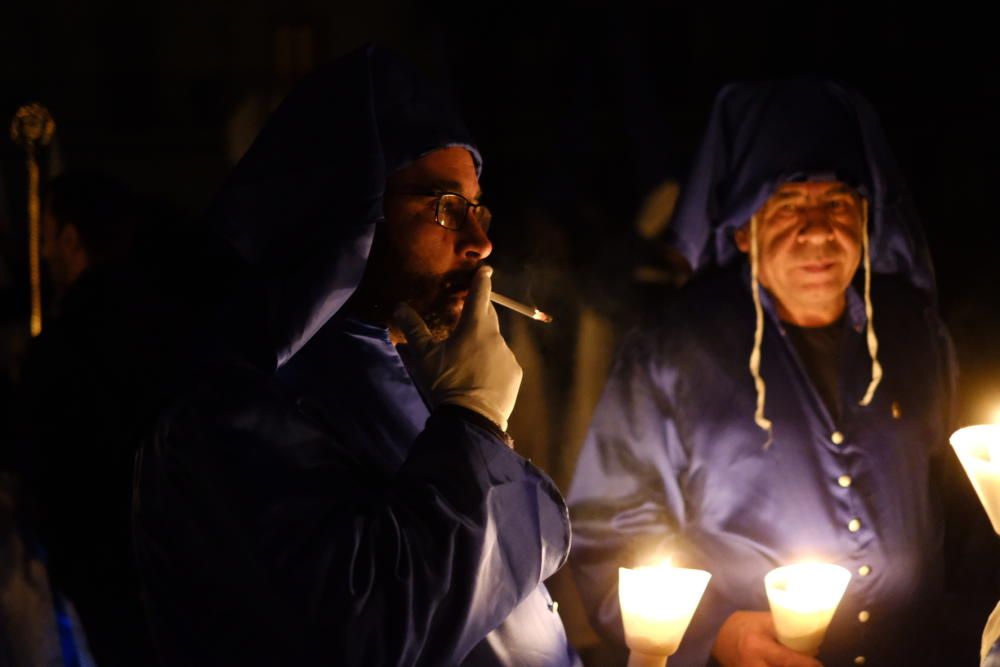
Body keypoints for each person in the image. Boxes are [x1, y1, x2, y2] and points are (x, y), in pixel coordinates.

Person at [133, 44, 579, 666]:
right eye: (445, 207)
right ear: (350, 210)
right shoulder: (231, 412)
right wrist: (473, 423)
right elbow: (370, 632)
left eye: (479, 210)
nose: (480, 244)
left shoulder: (409, 369)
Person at [567, 78, 997, 666]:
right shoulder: (674, 350)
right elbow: (607, 529)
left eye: (838, 204)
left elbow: (967, 499)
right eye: (790, 206)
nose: (819, 231)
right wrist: (718, 633)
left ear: (867, 217)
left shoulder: (914, 332)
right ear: (744, 229)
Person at [17, 171, 151, 666]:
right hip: (169, 558)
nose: (46, 253)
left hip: (100, 563)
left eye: (48, 236)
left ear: (70, 238)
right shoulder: (166, 326)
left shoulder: (64, 343)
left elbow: (46, 460)